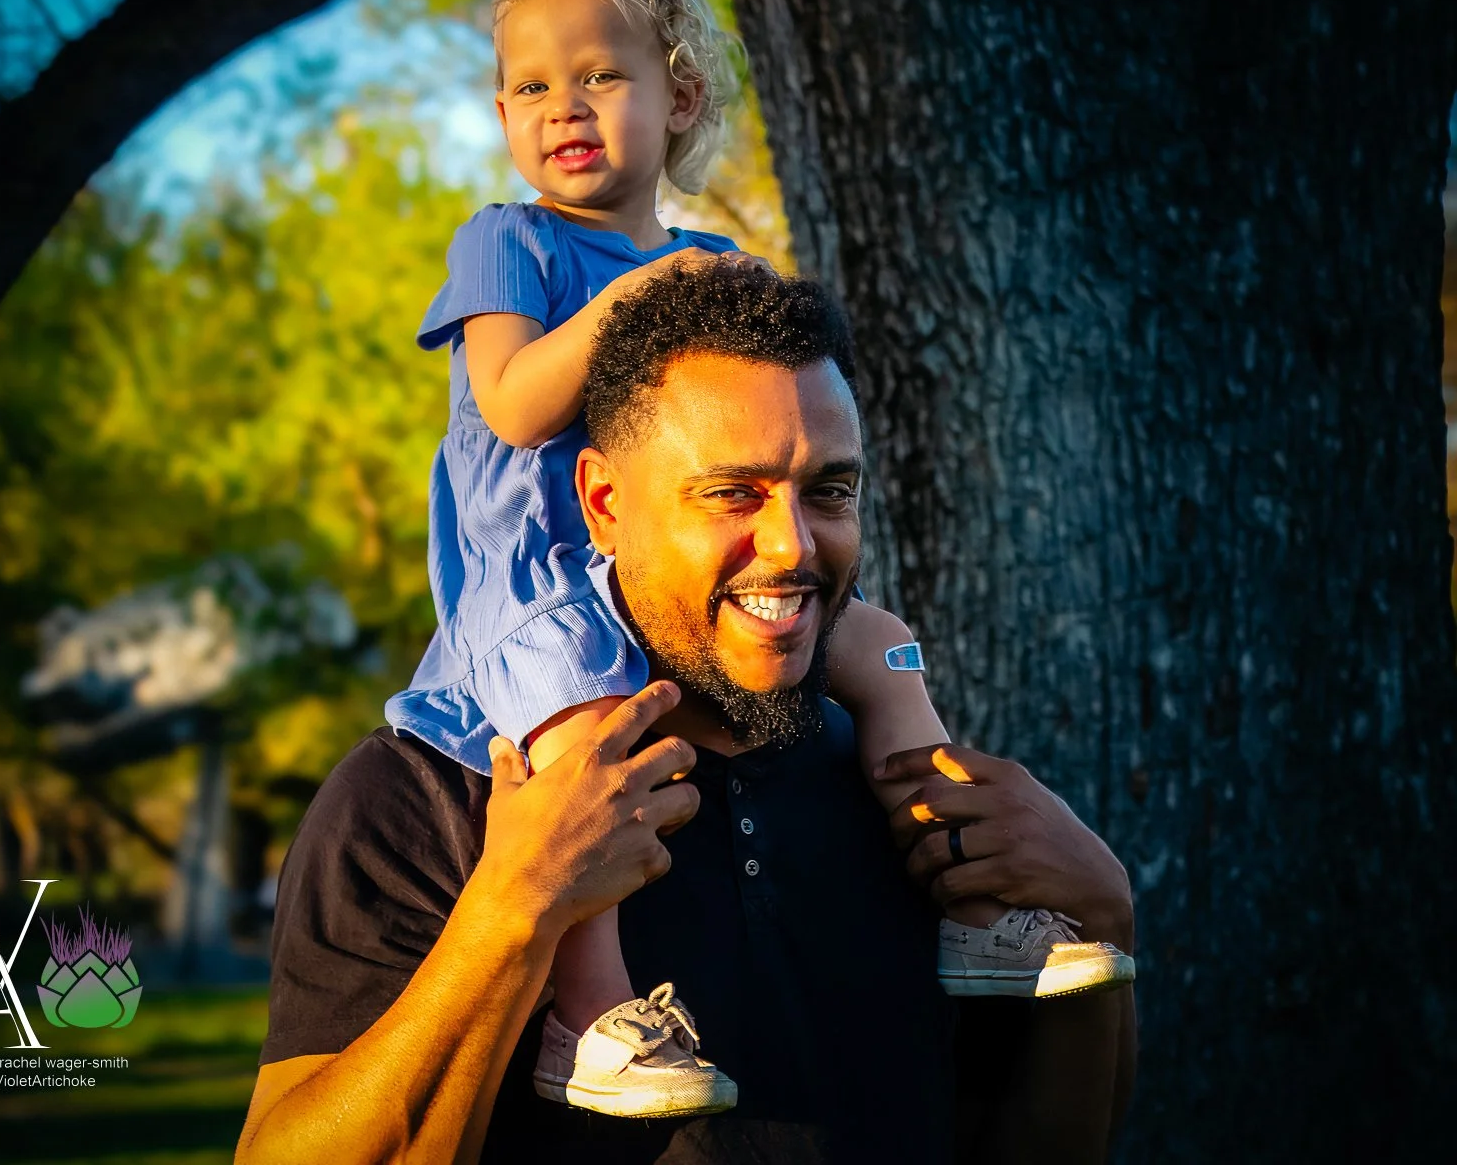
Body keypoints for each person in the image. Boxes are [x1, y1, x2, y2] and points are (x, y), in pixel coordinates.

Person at [379, 0, 1130, 1119]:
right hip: (543, 582)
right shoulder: (506, 243)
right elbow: (516, 407)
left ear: (676, 99)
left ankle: (983, 909)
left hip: (679, 574)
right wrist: (644, 292)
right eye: (529, 85)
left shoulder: (710, 255)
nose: (561, 106)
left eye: (598, 75)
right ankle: (594, 1010)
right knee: (587, 760)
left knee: (881, 649)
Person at [236, 262, 1137, 1165]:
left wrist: (1104, 919)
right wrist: (516, 909)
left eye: (829, 491)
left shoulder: (913, 804)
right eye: (730, 493)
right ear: (604, 504)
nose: (792, 545)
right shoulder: (420, 800)